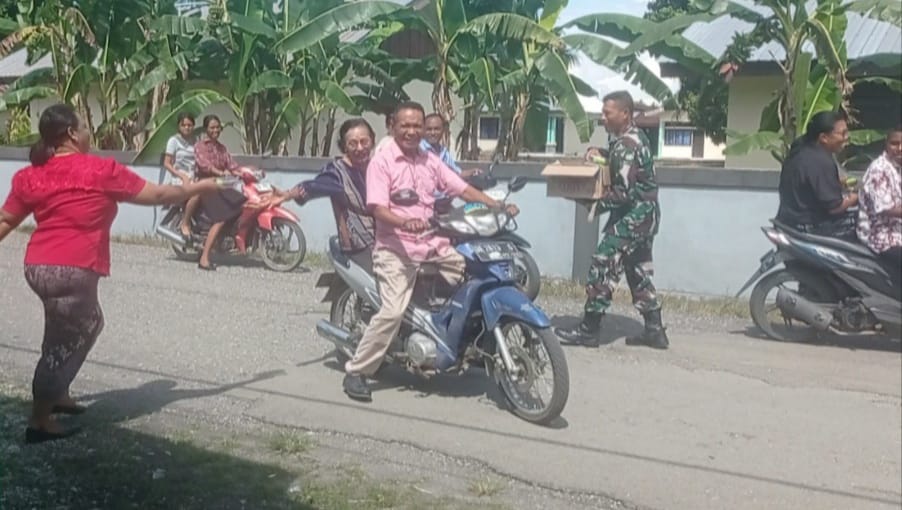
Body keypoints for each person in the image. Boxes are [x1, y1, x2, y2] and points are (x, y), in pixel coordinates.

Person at [0, 103, 222, 444]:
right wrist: (201, 188)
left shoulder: (32, 175)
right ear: (71, 134)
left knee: (74, 327)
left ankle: (58, 393)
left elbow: (6, 220)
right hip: (72, 269)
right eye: (84, 127)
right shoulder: (99, 170)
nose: (88, 132)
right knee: (65, 341)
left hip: (39, 266)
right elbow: (159, 194)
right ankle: (40, 420)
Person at [341, 101, 519, 402]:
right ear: (393, 127)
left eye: (417, 126)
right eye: (405, 125)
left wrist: (496, 205)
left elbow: (461, 188)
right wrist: (404, 222)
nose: (411, 131)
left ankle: (462, 341)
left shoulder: (430, 160)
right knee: (392, 312)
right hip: (395, 250)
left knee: (474, 276)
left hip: (432, 244)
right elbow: (378, 208)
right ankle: (357, 371)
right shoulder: (382, 162)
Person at [555, 91, 669, 350]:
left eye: (608, 113)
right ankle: (654, 330)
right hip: (646, 216)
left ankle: (589, 330)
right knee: (637, 270)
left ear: (625, 114)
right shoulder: (632, 139)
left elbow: (624, 192)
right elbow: (624, 167)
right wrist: (603, 153)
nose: (603, 118)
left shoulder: (627, 145)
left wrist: (588, 198)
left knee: (602, 264)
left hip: (633, 217)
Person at [278, 118, 377, 270]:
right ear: (344, 147)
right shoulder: (338, 173)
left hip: (386, 240)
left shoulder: (379, 167)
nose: (359, 148)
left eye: (364, 142)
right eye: (352, 143)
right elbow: (314, 186)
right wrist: (288, 194)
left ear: (372, 141)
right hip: (360, 245)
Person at [775, 111, 858, 240]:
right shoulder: (821, 161)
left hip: (788, 222)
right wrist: (856, 197)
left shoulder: (800, 150)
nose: (846, 137)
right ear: (824, 137)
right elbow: (835, 208)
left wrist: (838, 182)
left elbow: (808, 183)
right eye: (842, 133)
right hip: (810, 228)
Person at [193, 114, 243, 271]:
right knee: (221, 217)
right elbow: (204, 165)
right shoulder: (200, 146)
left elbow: (232, 165)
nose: (215, 130)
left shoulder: (222, 148)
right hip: (206, 185)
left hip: (221, 184)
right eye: (212, 127)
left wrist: (246, 172)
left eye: (218, 127)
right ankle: (204, 259)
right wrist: (219, 172)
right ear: (206, 129)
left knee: (242, 203)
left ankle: (223, 239)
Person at [857, 125, 902, 285]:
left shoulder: (896, 167)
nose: (900, 149)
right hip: (881, 234)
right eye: (895, 144)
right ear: (886, 144)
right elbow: (886, 209)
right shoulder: (879, 170)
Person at [162, 112, 198, 239]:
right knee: (196, 194)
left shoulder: (195, 141)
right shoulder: (174, 141)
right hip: (178, 178)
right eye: (184, 125)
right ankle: (185, 224)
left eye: (189, 125)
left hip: (192, 176)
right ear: (179, 126)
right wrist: (182, 176)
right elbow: (167, 163)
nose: (187, 128)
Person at [421, 113, 481, 178]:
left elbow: (456, 172)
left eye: (436, 129)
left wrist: (472, 172)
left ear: (443, 130)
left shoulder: (444, 152)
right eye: (429, 129)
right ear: (423, 130)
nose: (433, 133)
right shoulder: (418, 149)